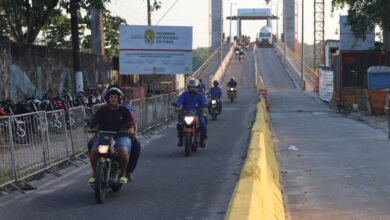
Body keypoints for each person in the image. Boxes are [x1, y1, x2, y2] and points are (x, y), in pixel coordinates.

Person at [84, 85, 135, 185]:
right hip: (104, 137)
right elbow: (93, 121)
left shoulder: (124, 110)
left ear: (119, 98)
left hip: (121, 137)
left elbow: (131, 123)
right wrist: (88, 126)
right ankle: (95, 174)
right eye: (111, 97)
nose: (113, 99)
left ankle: (123, 173)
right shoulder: (102, 110)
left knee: (123, 151)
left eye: (115, 97)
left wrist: (131, 129)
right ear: (107, 98)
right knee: (94, 151)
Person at [176, 79, 208, 148]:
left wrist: (204, 106)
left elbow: (205, 102)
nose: (192, 88)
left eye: (194, 87)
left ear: (197, 87)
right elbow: (179, 101)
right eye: (191, 87)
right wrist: (177, 106)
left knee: (203, 124)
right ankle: (180, 138)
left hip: (197, 114)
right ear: (188, 87)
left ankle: (202, 140)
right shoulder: (184, 95)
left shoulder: (201, 95)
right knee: (179, 124)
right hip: (186, 114)